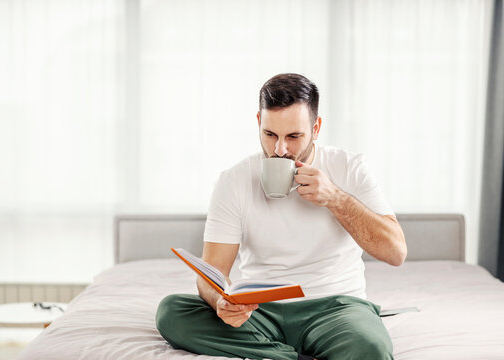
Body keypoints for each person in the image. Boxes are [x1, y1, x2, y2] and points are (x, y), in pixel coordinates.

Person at [156, 73, 406, 360]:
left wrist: (335, 199)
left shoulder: (350, 168)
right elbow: (211, 274)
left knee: (371, 348)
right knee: (172, 312)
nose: (279, 150)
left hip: (337, 308)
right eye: (270, 134)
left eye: (294, 137)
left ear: (316, 127)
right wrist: (220, 302)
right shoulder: (233, 181)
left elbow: (396, 252)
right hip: (261, 311)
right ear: (258, 122)